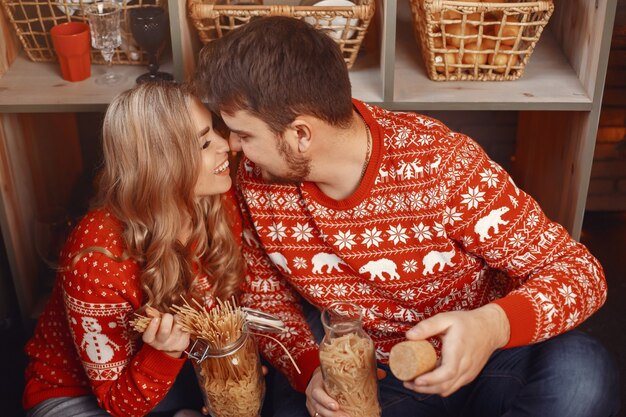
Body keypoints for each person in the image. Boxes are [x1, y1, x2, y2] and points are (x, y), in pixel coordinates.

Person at [193, 16, 621, 417]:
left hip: (489, 357)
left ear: (300, 134)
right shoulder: (257, 175)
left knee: (584, 377)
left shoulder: (441, 163)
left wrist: (492, 326)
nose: (231, 147)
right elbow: (264, 293)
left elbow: (579, 272)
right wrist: (310, 370)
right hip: (377, 379)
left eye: (244, 134)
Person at [22, 82, 244, 417]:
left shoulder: (216, 200)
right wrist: (164, 354)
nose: (226, 145)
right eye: (203, 143)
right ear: (162, 166)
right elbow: (116, 403)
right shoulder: (96, 256)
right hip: (78, 395)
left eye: (214, 129)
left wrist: (229, 359)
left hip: (177, 374)